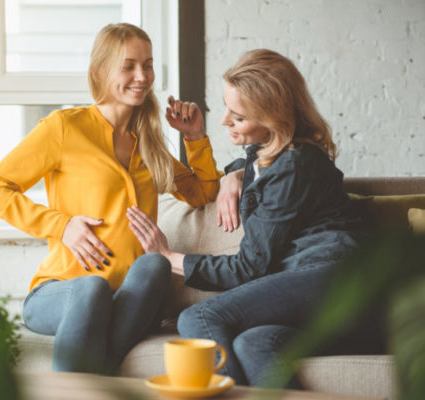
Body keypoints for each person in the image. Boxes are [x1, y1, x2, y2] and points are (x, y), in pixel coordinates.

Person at [0, 23, 222, 374]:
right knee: (91, 289)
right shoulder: (64, 127)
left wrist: (195, 138)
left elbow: (203, 195)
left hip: (128, 302)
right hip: (60, 292)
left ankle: (86, 386)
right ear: (100, 72)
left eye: (148, 65)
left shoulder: (149, 145)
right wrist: (62, 226)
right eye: (128, 66)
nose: (141, 76)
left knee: (154, 265)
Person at [126, 49, 368, 386]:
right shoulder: (271, 156)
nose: (225, 120)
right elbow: (253, 164)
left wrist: (168, 257)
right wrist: (232, 175)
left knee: (199, 317)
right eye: (226, 108)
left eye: (238, 117)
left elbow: (249, 267)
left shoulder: (295, 165)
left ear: (273, 118)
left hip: (334, 280)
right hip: (324, 285)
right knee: (255, 343)